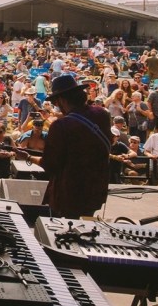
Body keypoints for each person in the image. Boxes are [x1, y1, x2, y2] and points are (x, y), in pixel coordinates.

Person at [19, 75, 111, 218]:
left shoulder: (61, 126)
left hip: (69, 192)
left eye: (56, 101)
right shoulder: (102, 114)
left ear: (61, 100)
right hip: (96, 188)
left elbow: (49, 164)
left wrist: (28, 157)